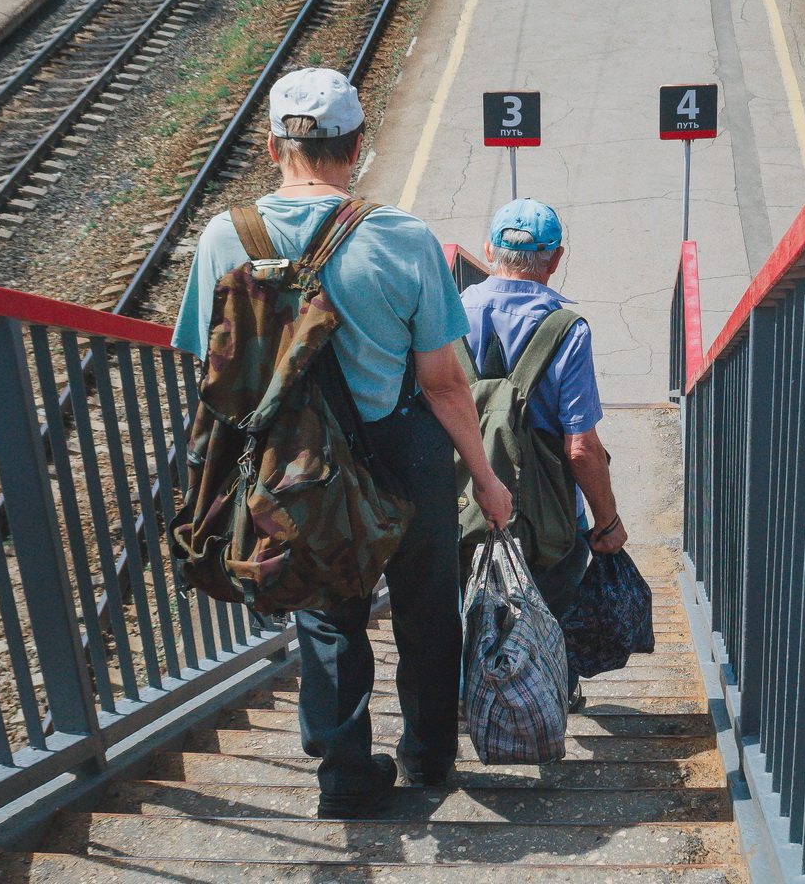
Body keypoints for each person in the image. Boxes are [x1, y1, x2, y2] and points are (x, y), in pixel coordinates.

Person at [172, 68, 512, 817]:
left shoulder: (224, 237)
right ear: (355, 147)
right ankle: (427, 758)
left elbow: (215, 368)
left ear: (270, 146)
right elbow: (445, 383)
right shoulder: (403, 237)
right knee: (427, 606)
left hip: (291, 461)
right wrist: (485, 477)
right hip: (401, 446)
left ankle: (345, 774)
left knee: (326, 607)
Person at [459, 198, 628, 712]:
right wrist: (606, 521)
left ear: (489, 250)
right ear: (554, 260)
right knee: (548, 604)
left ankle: (475, 699)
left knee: (466, 603)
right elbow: (581, 447)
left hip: (460, 507)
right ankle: (544, 698)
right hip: (547, 519)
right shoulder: (567, 330)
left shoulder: (446, 314)